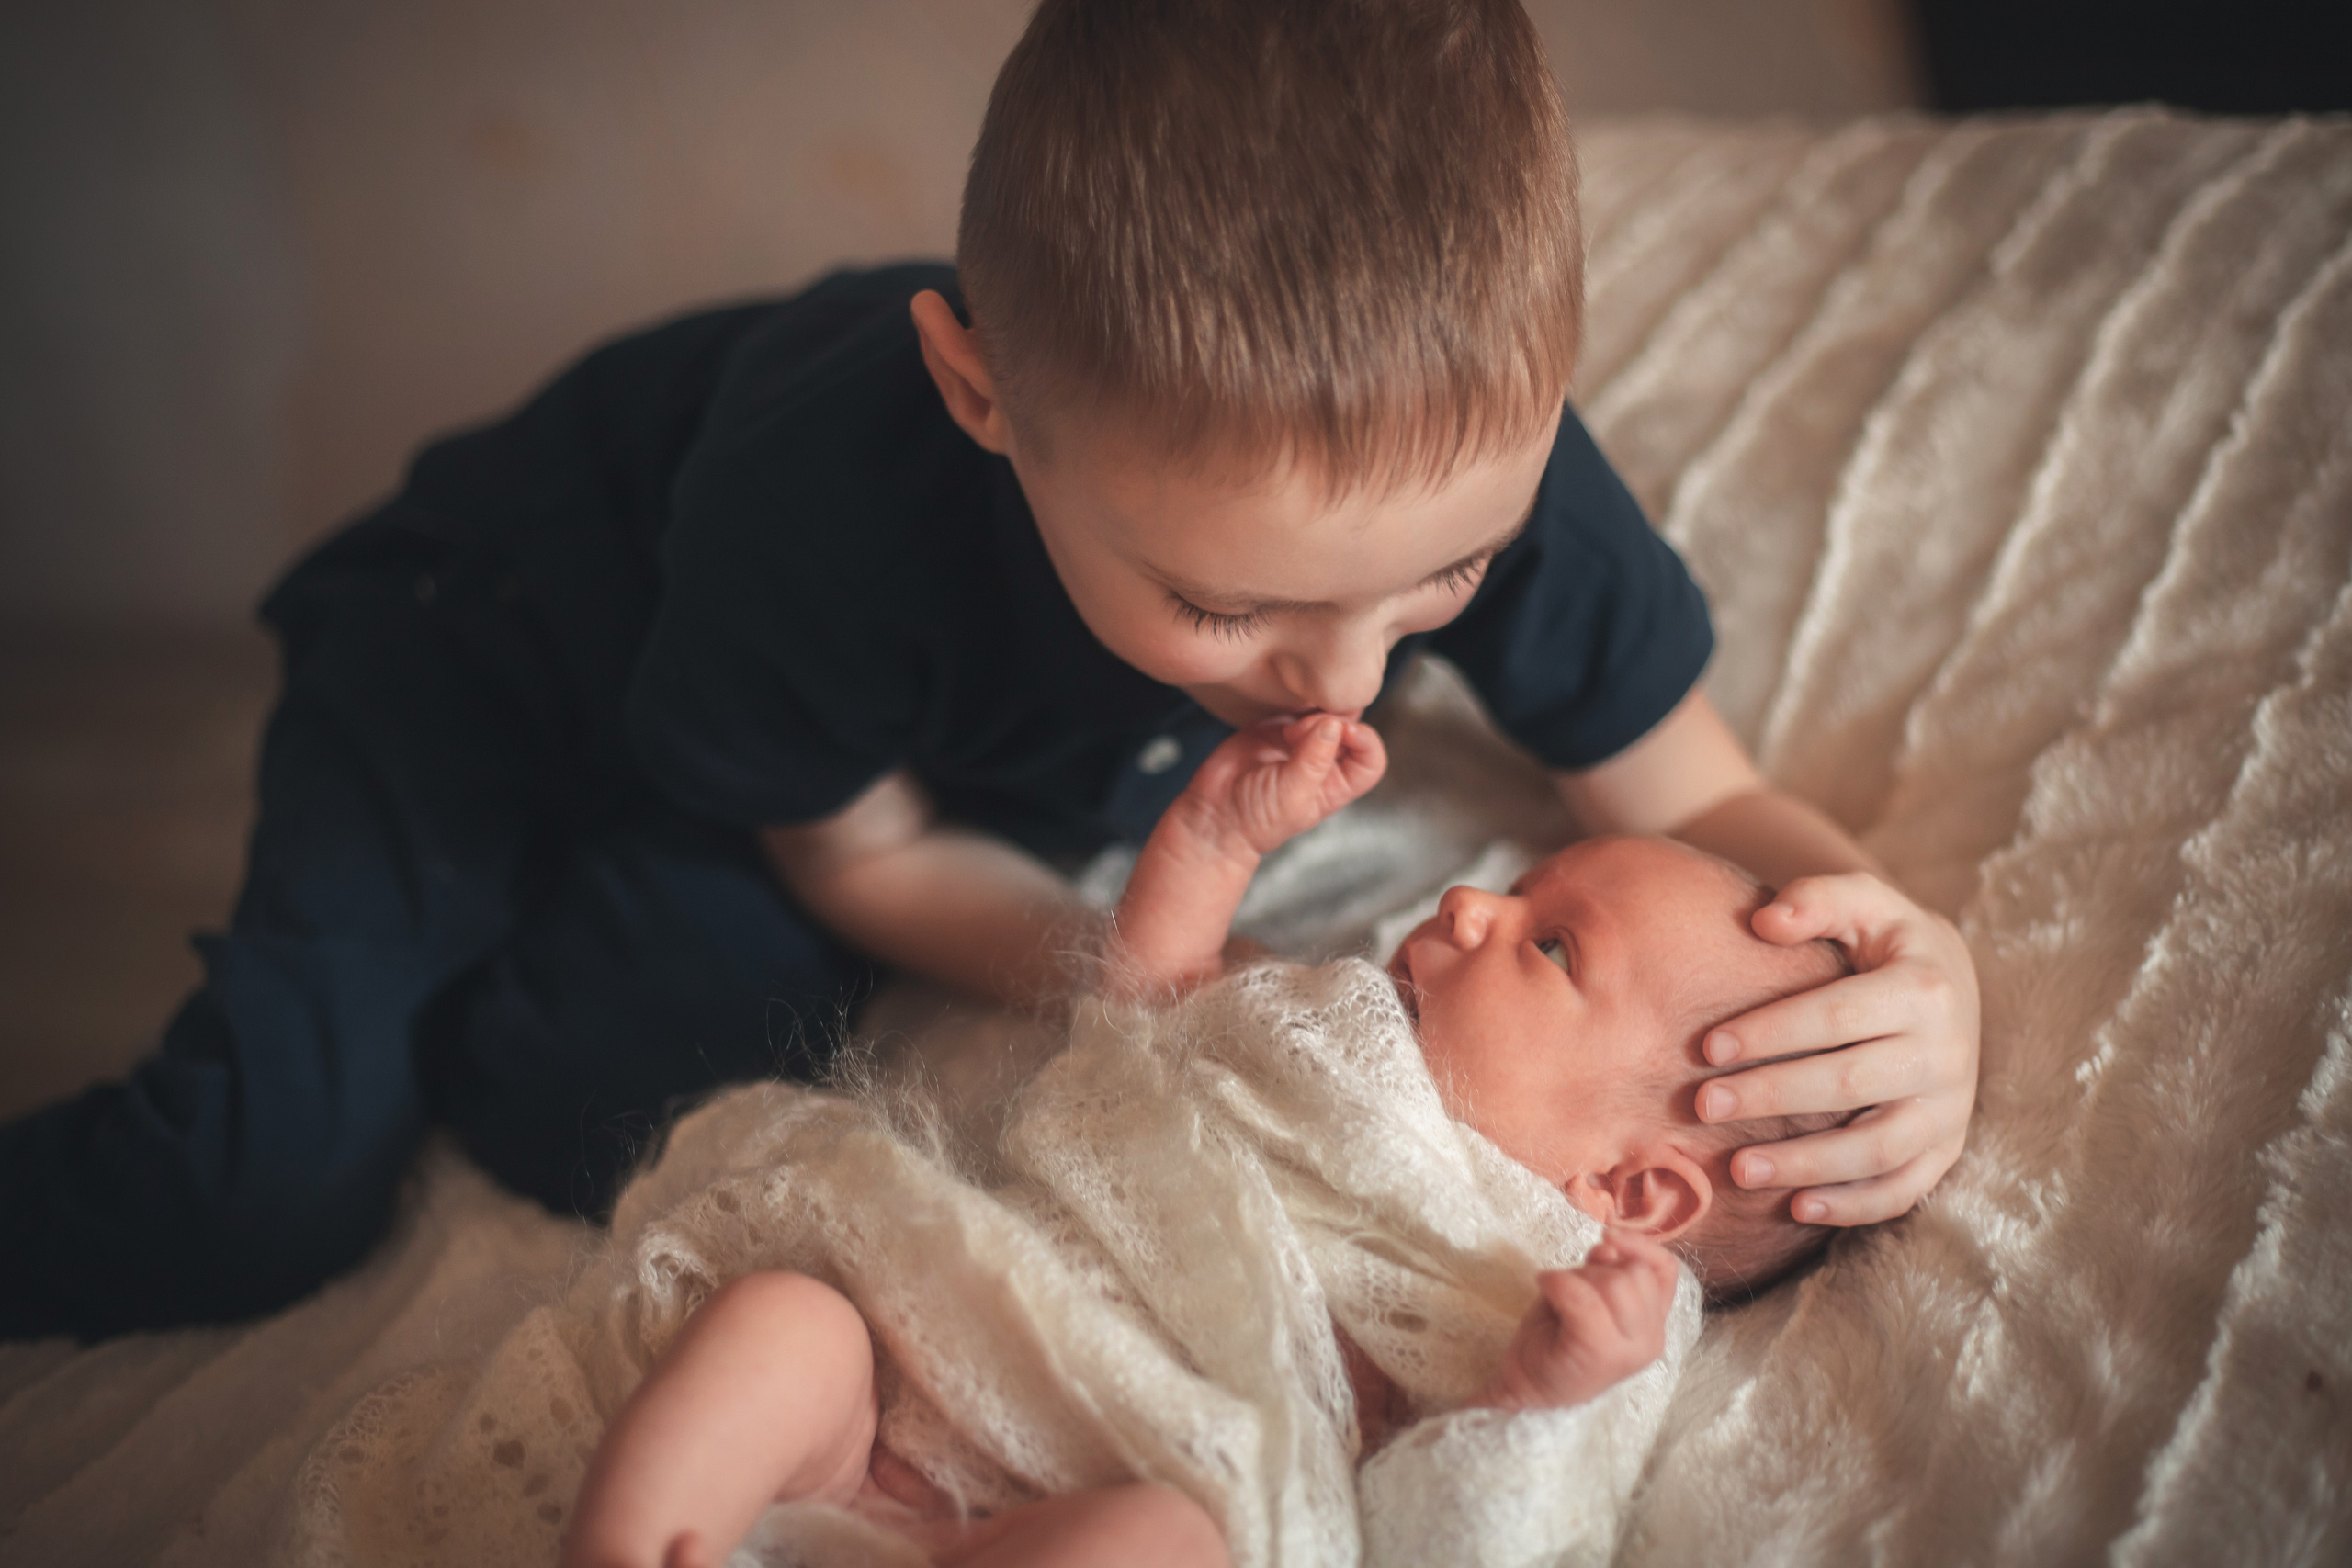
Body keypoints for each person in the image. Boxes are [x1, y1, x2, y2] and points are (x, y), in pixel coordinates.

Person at [0, 0, 1978, 1342]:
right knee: (262, 1184)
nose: (1341, 676)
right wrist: (1130, 977)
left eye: (1437, 578)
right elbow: (857, 855)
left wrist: (1907, 955)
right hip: (492, 646)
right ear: (981, 395)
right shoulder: (825, 498)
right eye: (1226, 607)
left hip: (841, 736)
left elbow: (1705, 807)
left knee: (579, 1095)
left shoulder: (1464, 463)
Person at [557, 714, 1845, 1568]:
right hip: (921, 1369)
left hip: (1108, 1499)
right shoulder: (1333, 1024)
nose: (1466, 903)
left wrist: (1535, 1407)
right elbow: (1140, 1020)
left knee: (1162, 1547)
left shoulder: (1563, 1307)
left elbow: (1447, 1539)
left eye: (1550, 944)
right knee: (790, 1322)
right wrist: (1215, 842)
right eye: (1511, 891)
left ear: (1633, 1186)